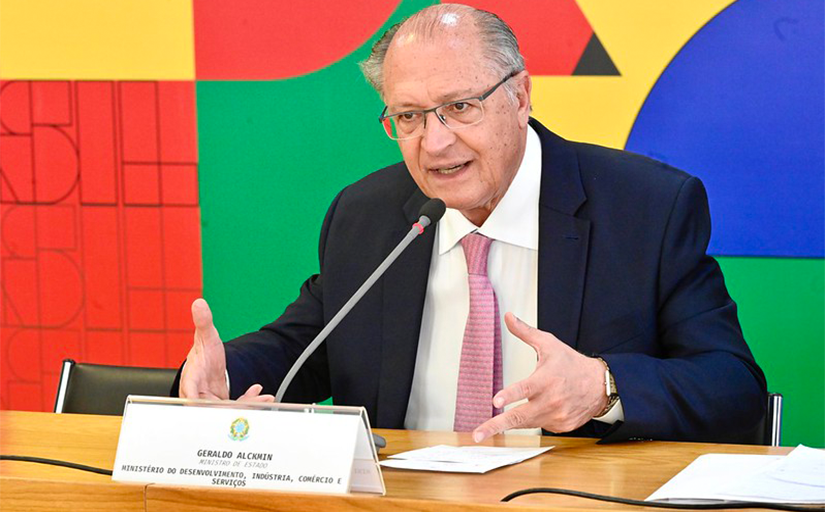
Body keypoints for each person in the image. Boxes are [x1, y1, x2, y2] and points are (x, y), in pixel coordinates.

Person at [175, 4, 767, 444]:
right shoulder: (368, 215)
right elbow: (308, 345)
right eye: (409, 116)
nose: (435, 143)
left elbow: (734, 390)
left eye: (460, 107)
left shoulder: (646, 208)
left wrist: (605, 387)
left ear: (520, 97)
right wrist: (225, 372)